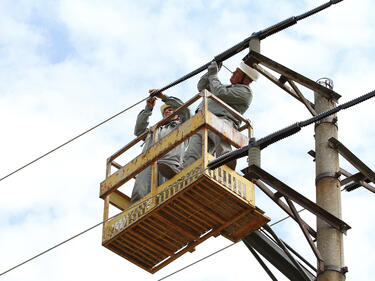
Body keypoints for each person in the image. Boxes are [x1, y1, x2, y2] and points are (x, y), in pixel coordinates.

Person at [182, 60, 259, 170]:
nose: (233, 73)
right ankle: (186, 172)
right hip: (203, 120)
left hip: (222, 120)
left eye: (237, 72)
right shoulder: (225, 87)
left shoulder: (245, 92)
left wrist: (213, 74)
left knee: (220, 133)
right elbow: (202, 87)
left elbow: (220, 93)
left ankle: (226, 159)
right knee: (193, 151)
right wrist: (210, 72)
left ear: (245, 78)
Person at [130, 89, 190, 203]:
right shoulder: (155, 131)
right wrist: (148, 109)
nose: (167, 112)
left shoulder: (184, 125)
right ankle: (137, 217)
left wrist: (164, 97)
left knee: (165, 195)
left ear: (178, 114)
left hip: (170, 164)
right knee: (139, 193)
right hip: (148, 164)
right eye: (165, 111)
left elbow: (186, 110)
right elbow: (138, 131)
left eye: (171, 110)